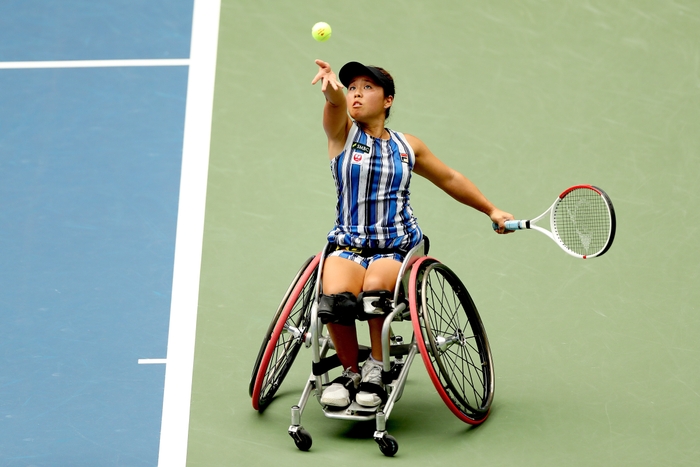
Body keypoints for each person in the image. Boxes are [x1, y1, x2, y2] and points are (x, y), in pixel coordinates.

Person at [311, 59, 513, 408]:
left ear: (388, 100)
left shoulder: (408, 147)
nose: (357, 94)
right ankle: (350, 372)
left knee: (375, 296)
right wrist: (332, 91)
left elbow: (449, 178)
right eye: (353, 88)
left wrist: (491, 209)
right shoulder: (342, 133)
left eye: (367, 88)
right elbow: (333, 104)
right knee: (335, 301)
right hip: (348, 246)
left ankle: (376, 368)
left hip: (396, 248)